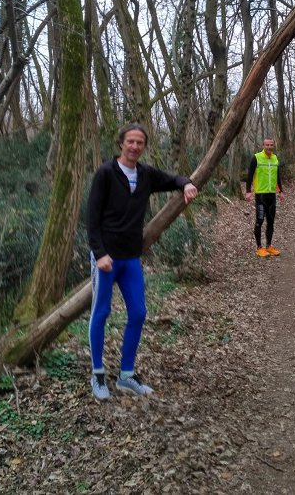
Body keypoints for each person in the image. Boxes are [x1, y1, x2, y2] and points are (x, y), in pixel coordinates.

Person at [86, 123, 198, 401]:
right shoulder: (105, 173)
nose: (135, 147)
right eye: (130, 142)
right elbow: (91, 217)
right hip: (106, 258)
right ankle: (97, 374)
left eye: (140, 143)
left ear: (144, 147)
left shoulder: (146, 174)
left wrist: (187, 184)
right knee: (101, 312)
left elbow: (173, 179)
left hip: (131, 258)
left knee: (138, 313)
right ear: (121, 144)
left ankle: (126, 376)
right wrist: (99, 254)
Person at [245, 137, 285, 257]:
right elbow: (250, 175)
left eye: (271, 145)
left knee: (271, 221)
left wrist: (281, 191)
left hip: (272, 195)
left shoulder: (275, 158)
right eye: (267, 145)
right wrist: (248, 191)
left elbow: (277, 176)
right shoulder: (256, 157)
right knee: (260, 220)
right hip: (260, 195)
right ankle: (259, 247)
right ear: (263, 145)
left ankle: (269, 246)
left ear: (273, 146)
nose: (269, 147)